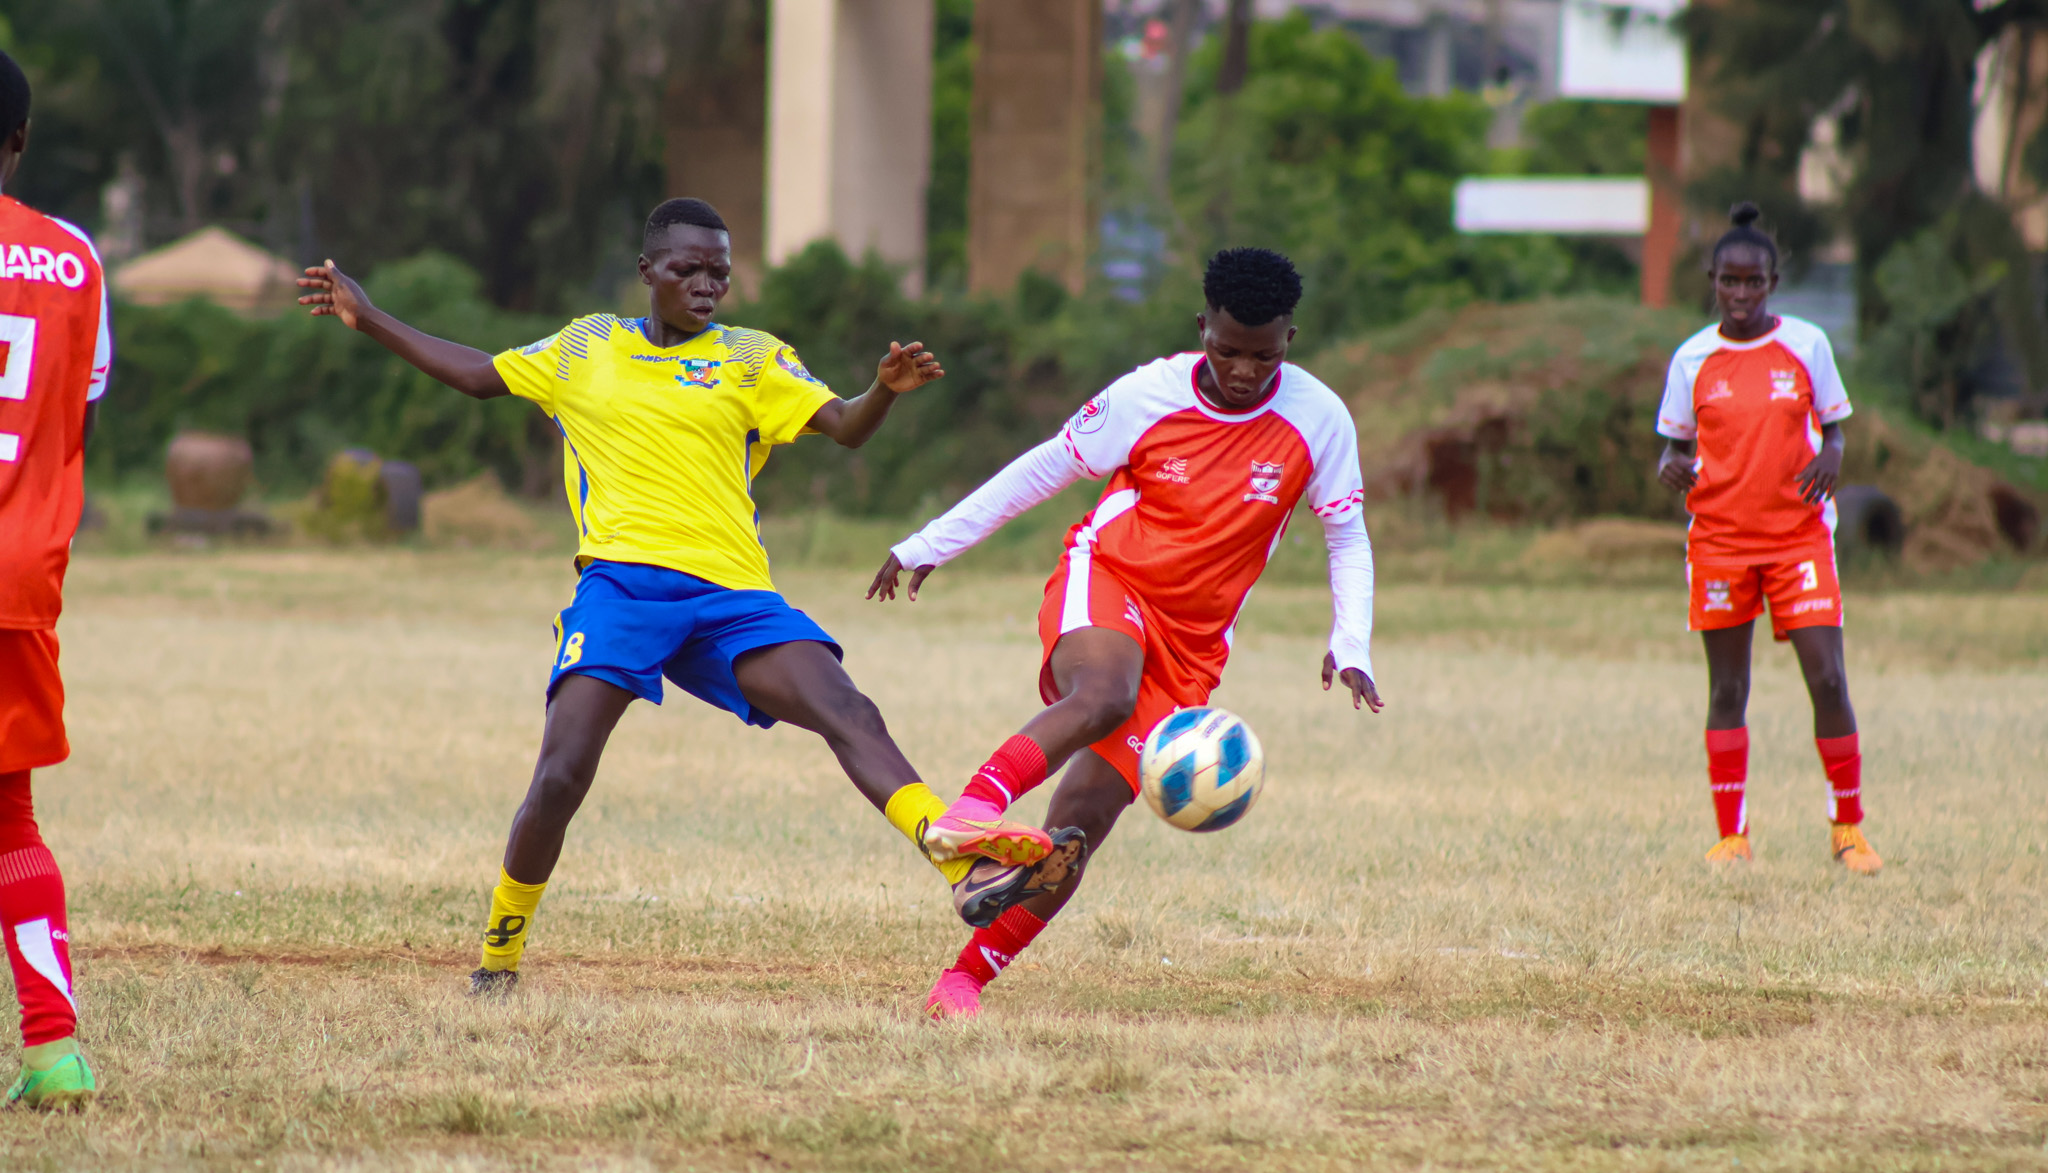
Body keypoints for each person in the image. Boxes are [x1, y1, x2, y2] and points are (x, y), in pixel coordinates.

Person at [298, 197, 978, 993]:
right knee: (560, 775)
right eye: (687, 269)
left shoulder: (754, 357)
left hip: (733, 595)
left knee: (847, 707)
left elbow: (845, 424)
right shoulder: (587, 345)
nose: (705, 286)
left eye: (719, 273)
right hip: (621, 587)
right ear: (647, 271)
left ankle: (960, 859)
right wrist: (370, 315)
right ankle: (500, 957)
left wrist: (884, 389)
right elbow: (479, 375)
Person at [868, 247, 1382, 1019]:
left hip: (1193, 644)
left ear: (1290, 339)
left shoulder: (1319, 418)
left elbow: (1346, 535)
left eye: (1263, 354)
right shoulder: (1148, 394)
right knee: (1104, 692)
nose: (1243, 370)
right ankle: (968, 815)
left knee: (1076, 831)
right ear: (1201, 327)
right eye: (1227, 349)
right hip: (1109, 577)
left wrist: (1353, 642)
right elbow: (1045, 468)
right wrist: (933, 540)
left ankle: (964, 981)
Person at [1655, 203, 1880, 873]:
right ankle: (1732, 835)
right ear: (1713, 280)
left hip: (1798, 537)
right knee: (1727, 690)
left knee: (1828, 676)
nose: (1742, 293)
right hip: (1720, 541)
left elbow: (1834, 427)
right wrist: (1667, 465)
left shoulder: (1807, 345)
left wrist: (1833, 454)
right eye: (1730, 281)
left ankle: (1848, 828)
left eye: (1754, 282)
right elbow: (1674, 445)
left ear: (1774, 282)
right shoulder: (1693, 357)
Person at [0, 50, 113, 1107]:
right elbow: (86, 396)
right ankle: (53, 1050)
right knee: (11, 823)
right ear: (21, 139)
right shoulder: (73, 258)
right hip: (20, 581)